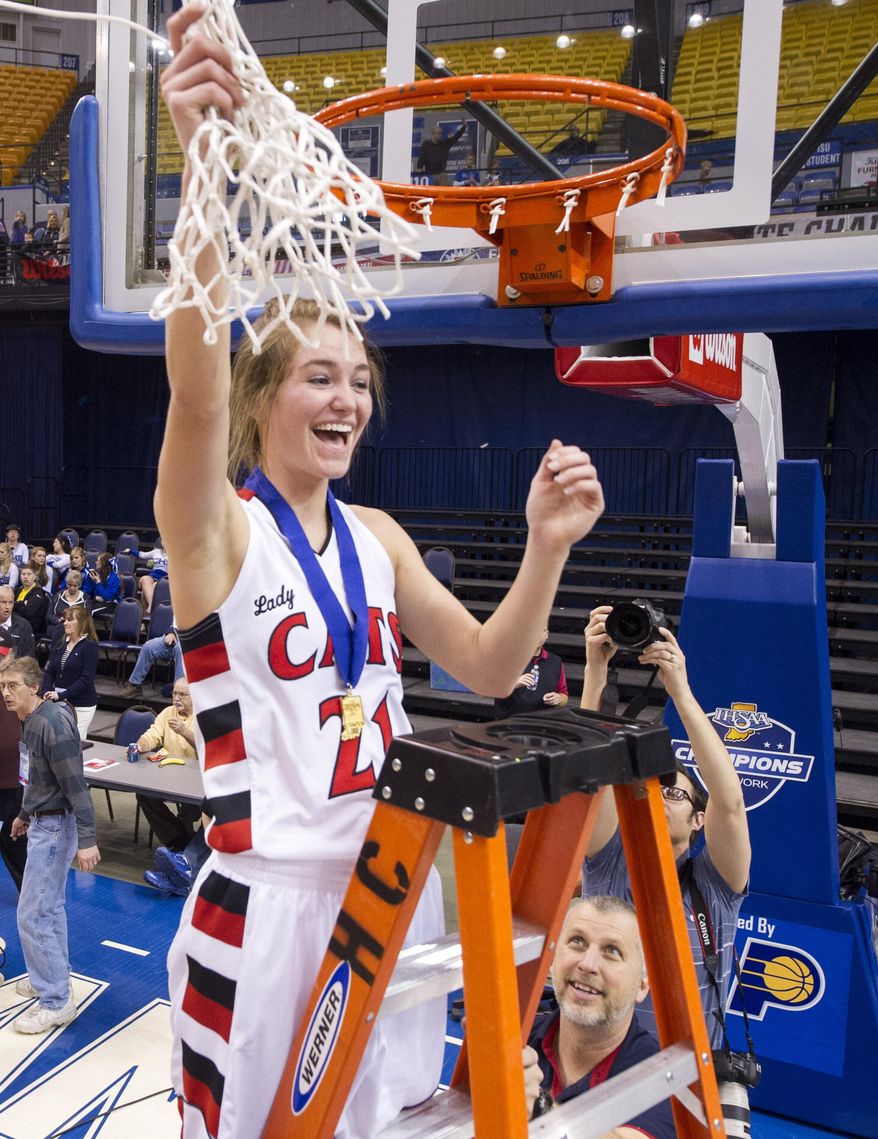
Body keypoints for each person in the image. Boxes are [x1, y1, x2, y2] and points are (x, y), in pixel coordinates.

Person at [159, 9, 605, 1136]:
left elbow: (496, 666)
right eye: (318, 375)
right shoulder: (214, 525)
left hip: (387, 897)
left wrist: (545, 546)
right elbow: (198, 374)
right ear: (265, 403)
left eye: (357, 379)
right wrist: (201, 156)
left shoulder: (380, 539)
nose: (346, 398)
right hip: (264, 909)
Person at [580, 606, 750, 1048]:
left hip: (687, 1086)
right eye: (652, 789)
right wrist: (595, 673)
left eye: (674, 793)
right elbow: (587, 774)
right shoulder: (609, 864)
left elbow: (729, 802)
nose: (659, 796)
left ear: (698, 820)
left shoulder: (715, 886)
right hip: (602, 1070)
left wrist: (681, 693)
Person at [0, 654, 100, 1034]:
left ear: (33, 687)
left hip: (57, 828)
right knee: (50, 909)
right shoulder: (29, 720)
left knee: (33, 913)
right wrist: (25, 814)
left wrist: (87, 840)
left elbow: (77, 785)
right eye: (2, 686)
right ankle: (51, 977)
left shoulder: (52, 724)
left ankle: (56, 999)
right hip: (42, 821)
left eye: (13, 686)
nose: (6, 693)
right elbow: (36, 778)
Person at [521, 896, 675, 1138]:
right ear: (552, 961)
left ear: (642, 985)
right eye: (577, 941)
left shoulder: (664, 1078)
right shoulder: (521, 1037)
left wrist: (540, 1110)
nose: (588, 964)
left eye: (612, 951)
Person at [132, 678, 202, 857]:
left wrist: (185, 732)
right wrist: (140, 745)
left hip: (196, 779)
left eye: (183, 694)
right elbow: (152, 735)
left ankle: (187, 846)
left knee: (193, 806)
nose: (177, 698)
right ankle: (180, 842)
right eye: (174, 693)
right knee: (144, 794)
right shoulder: (167, 713)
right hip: (167, 775)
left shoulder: (203, 716)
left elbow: (209, 749)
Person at [41, 608, 100, 740]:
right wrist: (46, 690)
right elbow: (50, 670)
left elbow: (86, 679)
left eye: (70, 620)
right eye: (65, 619)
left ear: (82, 623)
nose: (65, 623)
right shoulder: (61, 643)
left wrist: (62, 695)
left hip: (81, 704)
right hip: (59, 701)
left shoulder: (90, 646)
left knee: (74, 742)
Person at [494, 626, 569, 718]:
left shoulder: (555, 662)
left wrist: (559, 699)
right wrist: (513, 684)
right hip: (510, 724)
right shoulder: (507, 658)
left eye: (542, 630)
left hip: (543, 723)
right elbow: (492, 689)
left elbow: (564, 695)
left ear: (547, 635)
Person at [0, 684, 27, 891]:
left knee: (13, 838)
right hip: (12, 775)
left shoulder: (14, 691)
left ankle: (31, 892)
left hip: (14, 778)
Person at [120, 627, 184, 699]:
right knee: (148, 647)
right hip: (177, 637)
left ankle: (180, 691)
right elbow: (176, 622)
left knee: (180, 648)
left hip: (192, 641)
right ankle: (135, 685)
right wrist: (171, 633)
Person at [46, 568, 91, 649]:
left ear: (80, 585)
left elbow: (88, 618)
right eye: (69, 585)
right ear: (66, 584)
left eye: (75, 585)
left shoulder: (85, 598)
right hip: (57, 626)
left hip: (77, 628)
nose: (72, 588)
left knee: (70, 632)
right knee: (61, 629)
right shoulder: (58, 596)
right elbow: (49, 615)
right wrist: (58, 620)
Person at [417, 120, 467, 185]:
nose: (438, 135)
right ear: (432, 134)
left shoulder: (444, 144)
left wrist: (464, 128)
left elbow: (455, 137)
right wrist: (419, 167)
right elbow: (422, 156)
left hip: (442, 174)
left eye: (440, 133)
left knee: (442, 193)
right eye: (436, 133)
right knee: (431, 193)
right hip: (429, 174)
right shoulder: (426, 144)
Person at [82, 550, 121, 620]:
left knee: (89, 612)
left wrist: (97, 582)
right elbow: (91, 592)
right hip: (99, 602)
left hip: (112, 605)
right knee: (81, 608)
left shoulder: (114, 577)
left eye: (97, 560)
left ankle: (90, 630)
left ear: (103, 563)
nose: (95, 562)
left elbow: (108, 597)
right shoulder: (99, 574)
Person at [0, 584, 36, 660]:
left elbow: (29, 658)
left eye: (11, 602)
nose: (7, 606)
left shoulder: (24, 625)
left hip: (15, 670)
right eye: (3, 602)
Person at [14, 565, 48, 639]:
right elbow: (6, 606)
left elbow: (28, 612)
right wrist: (23, 603)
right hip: (15, 624)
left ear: (35, 577)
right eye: (23, 574)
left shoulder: (38, 592)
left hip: (30, 628)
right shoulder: (17, 590)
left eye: (29, 574)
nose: (26, 577)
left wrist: (14, 606)